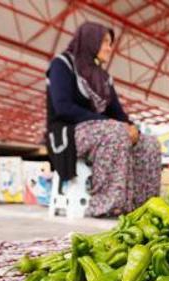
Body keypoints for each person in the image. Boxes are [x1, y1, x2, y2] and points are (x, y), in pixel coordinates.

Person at [45, 22, 161, 217]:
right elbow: (63, 107)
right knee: (115, 131)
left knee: (149, 143)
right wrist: (108, 123)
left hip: (103, 131)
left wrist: (132, 127)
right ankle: (107, 206)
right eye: (105, 42)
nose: (109, 48)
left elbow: (117, 112)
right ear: (91, 41)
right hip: (69, 133)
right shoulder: (62, 64)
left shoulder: (103, 77)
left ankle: (142, 208)